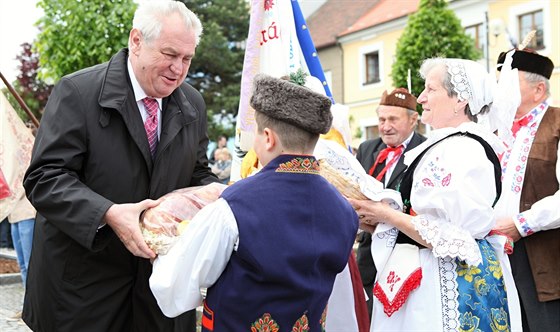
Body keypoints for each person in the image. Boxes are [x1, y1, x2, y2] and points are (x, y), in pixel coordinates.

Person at [22, 1, 218, 331]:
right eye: (169, 54)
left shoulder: (193, 103)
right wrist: (107, 213)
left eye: (187, 59)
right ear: (136, 41)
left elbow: (197, 172)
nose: (178, 69)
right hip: (83, 291)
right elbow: (44, 177)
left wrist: (218, 194)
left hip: (159, 291)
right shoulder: (78, 91)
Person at [150, 73, 359, 331]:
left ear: (268, 137)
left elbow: (174, 286)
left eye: (256, 135)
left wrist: (159, 243)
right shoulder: (344, 209)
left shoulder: (235, 205)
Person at [349, 58, 522, 331]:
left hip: (446, 282)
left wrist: (388, 215)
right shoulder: (447, 144)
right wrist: (376, 218)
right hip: (429, 275)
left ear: (460, 100)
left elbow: (454, 235)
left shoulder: (463, 149)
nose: (421, 98)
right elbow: (427, 220)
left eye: (431, 89)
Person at [493, 49, 560, 331]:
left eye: (508, 83)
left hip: (546, 256)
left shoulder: (557, 122)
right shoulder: (497, 130)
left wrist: (522, 224)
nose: (500, 91)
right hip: (498, 253)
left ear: (539, 89)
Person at [354, 88, 426, 317]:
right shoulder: (367, 148)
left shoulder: (426, 150)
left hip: (406, 252)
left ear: (413, 120)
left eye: (393, 119)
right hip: (368, 253)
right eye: (382, 119)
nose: (385, 126)